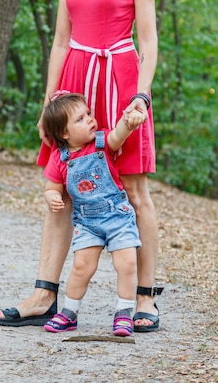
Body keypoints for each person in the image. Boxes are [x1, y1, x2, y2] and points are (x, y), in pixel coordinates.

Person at [0, 0, 162, 333]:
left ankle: (145, 299)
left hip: (122, 81)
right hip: (75, 87)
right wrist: (50, 100)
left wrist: (141, 97)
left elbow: (148, 41)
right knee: (62, 189)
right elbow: (61, 41)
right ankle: (44, 294)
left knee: (133, 191)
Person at [41, 92, 144, 336]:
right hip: (87, 223)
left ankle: (124, 313)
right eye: (80, 119)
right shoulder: (60, 158)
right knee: (81, 267)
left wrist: (128, 123)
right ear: (64, 133)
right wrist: (52, 197)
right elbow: (51, 186)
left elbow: (118, 135)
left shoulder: (101, 142)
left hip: (117, 217)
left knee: (127, 263)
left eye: (88, 114)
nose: (90, 119)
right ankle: (69, 312)